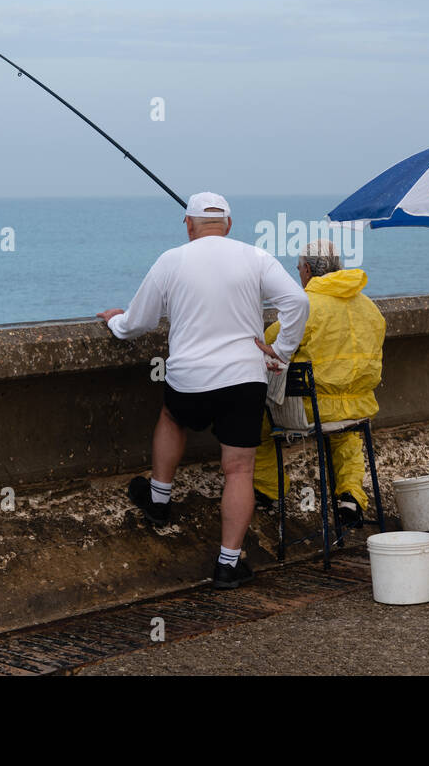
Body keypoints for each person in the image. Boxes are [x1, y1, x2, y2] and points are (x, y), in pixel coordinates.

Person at [95, 192, 309, 589]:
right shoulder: (255, 257)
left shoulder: (171, 260)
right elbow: (297, 300)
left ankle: (159, 500)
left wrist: (114, 322)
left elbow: (137, 322)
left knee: (172, 417)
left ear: (188, 225)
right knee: (239, 469)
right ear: (228, 224)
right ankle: (228, 564)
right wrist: (280, 351)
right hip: (244, 379)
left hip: (189, 379)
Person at [252, 240, 386, 527]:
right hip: (358, 408)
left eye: (299, 269)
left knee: (255, 423)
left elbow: (271, 341)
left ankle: (270, 489)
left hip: (312, 411)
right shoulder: (369, 307)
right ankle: (350, 496)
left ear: (308, 270)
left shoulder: (307, 307)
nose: (298, 274)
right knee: (346, 434)